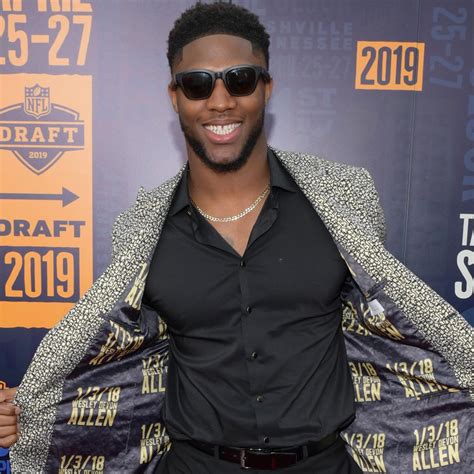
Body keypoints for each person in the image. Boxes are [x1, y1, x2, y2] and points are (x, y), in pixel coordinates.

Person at [1, 3, 472, 473]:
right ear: (175, 96)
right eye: (197, 84)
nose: (221, 101)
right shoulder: (141, 228)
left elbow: (382, 335)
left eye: (240, 80)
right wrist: (32, 408)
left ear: (266, 87)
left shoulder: (345, 198)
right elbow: (120, 363)